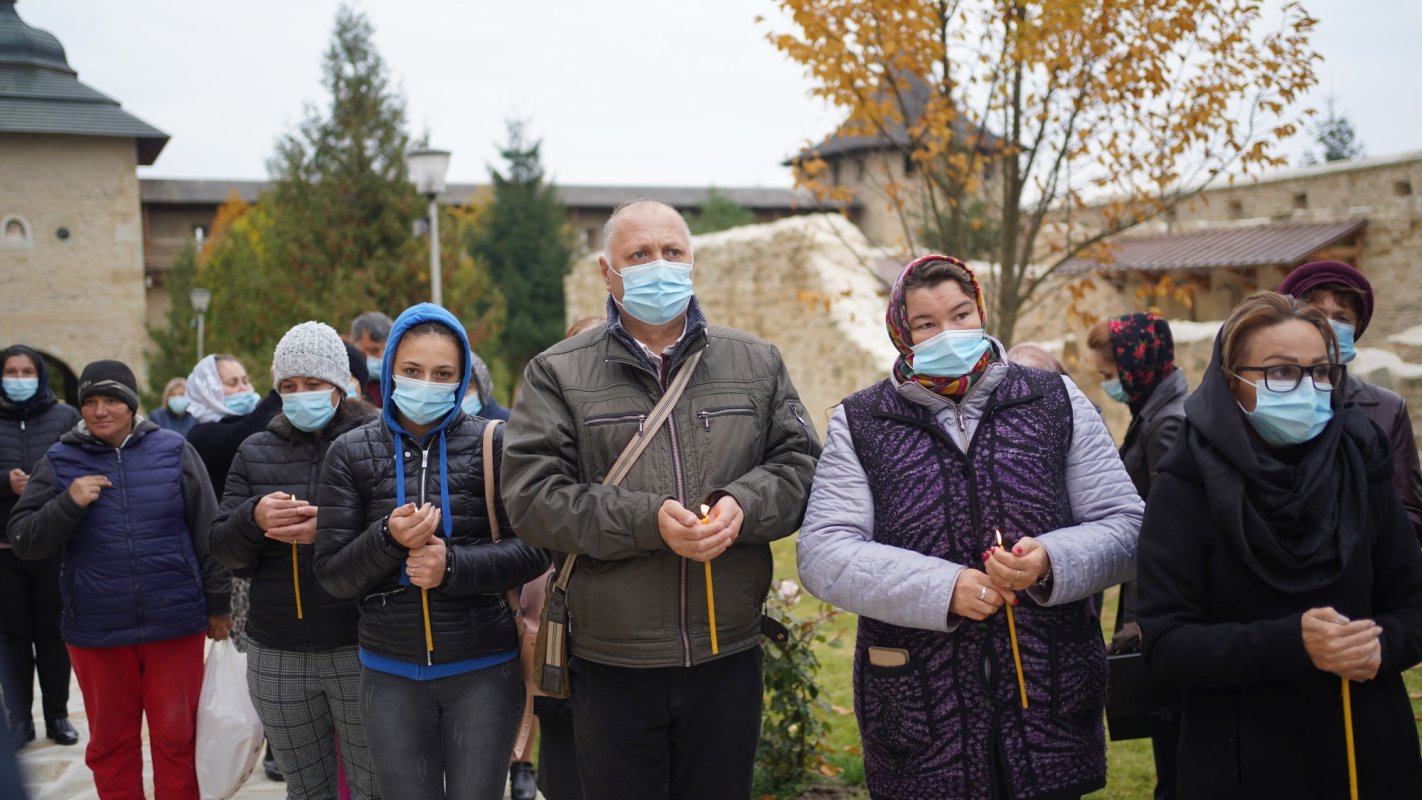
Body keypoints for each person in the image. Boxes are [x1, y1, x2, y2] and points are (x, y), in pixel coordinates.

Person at [502, 199, 821, 800]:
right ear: (607, 271)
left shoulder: (755, 362)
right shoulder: (557, 372)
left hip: (727, 650)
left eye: (672, 252)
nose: (658, 266)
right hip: (613, 659)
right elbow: (533, 497)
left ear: (692, 260)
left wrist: (741, 505)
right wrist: (650, 521)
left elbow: (801, 466)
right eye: (639, 255)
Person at [796, 255, 1144, 799]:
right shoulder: (862, 421)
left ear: (980, 312)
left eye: (961, 315)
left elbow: (1126, 527)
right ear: (901, 333)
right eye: (927, 324)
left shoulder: (1053, 399)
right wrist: (944, 588)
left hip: (1048, 689)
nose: (949, 334)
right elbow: (824, 552)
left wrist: (1050, 559)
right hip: (920, 705)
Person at [1137, 291, 1422, 797]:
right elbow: (1168, 644)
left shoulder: (1361, 460)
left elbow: (1413, 604)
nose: (1307, 389)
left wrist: (1380, 646)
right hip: (1241, 757)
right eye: (1281, 372)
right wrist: (1293, 643)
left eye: (1319, 372)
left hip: (1366, 748)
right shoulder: (1185, 481)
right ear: (1232, 381)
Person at [315, 303, 548, 799]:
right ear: (391, 370)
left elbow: (537, 549)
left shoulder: (497, 443)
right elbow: (333, 574)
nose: (427, 383)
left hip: (484, 669)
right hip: (390, 674)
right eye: (413, 371)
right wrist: (387, 539)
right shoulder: (350, 453)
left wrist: (453, 566)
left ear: (463, 376)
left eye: (443, 373)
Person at [7, 359, 232, 799]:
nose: (100, 410)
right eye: (90, 401)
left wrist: (218, 604)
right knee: (112, 744)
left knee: (176, 740)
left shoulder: (173, 449)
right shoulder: (59, 460)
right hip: (98, 630)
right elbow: (24, 539)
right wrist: (68, 503)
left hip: (175, 623)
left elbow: (209, 529)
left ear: (130, 404)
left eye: (111, 400)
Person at [210, 322, 379, 798]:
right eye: (289, 386)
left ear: (340, 385)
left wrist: (330, 529)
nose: (299, 395)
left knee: (373, 785)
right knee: (306, 788)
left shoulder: (375, 441)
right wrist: (253, 517)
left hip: (358, 646)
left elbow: (394, 533)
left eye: (312, 385)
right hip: (277, 651)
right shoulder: (254, 449)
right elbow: (225, 550)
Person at [1085, 313, 1188, 799]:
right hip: (1152, 593)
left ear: (1136, 365)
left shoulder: (1166, 424)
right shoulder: (1154, 412)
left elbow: (1169, 530)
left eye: (1110, 374)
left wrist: (1148, 617)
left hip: (1161, 598)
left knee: (1174, 733)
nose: (1108, 384)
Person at [184, 352, 284, 780]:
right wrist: (279, 387)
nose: (245, 389)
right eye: (233, 382)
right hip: (233, 566)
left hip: (270, 553)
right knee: (255, 659)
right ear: (208, 387)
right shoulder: (203, 435)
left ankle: (277, 743)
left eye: (247, 380)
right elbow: (247, 431)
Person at [1278, 260, 1422, 542]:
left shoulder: (1387, 409)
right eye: (1316, 313)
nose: (1328, 326)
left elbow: (1411, 513)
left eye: (1342, 318)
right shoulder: (1265, 397)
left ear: (1356, 331)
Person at [0, 345, 79, 749]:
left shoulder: (65, 417)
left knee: (53, 634)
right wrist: (5, 482)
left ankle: (58, 715)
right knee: (12, 637)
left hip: (51, 546)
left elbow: (82, 466)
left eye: (26, 371)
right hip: (4, 550)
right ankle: (19, 721)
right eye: (10, 371)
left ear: (41, 374)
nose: (18, 378)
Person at [350, 311, 393, 409]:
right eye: (373, 350)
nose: (381, 356)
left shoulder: (397, 382)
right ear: (354, 345)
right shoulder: (346, 383)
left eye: (387, 350)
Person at [465, 351, 510, 422]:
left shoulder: (509, 422)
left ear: (482, 386)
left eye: (467, 388)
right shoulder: (446, 428)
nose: (460, 396)